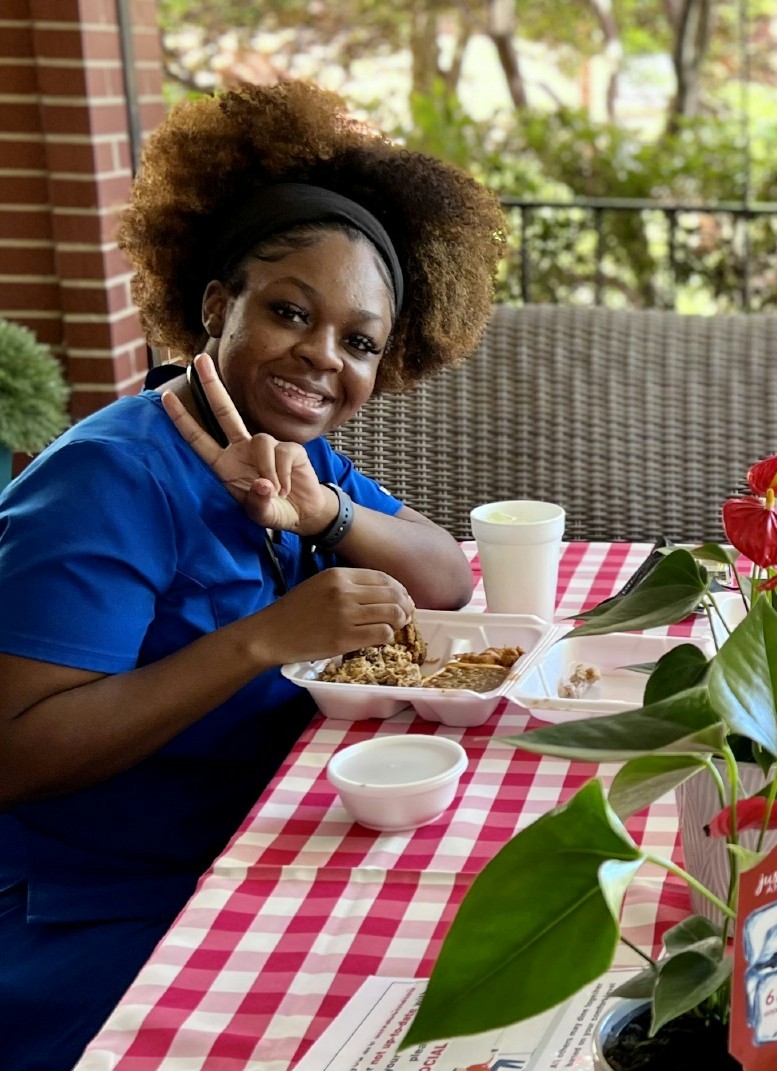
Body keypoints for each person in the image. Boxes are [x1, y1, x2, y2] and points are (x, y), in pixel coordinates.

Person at [0, 82, 506, 1069]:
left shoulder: (287, 453)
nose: (324, 358)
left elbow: (446, 578)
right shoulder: (112, 477)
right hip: (103, 908)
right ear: (217, 307)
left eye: (358, 341)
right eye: (290, 313)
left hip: (261, 845)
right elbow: (15, 754)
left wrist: (332, 515)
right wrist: (262, 641)